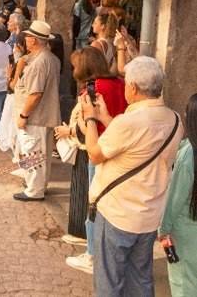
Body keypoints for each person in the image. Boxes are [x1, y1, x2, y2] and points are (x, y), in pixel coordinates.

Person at [81, 56, 183, 296]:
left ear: (134, 88)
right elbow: (138, 146)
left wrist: (90, 118)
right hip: (148, 214)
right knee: (140, 279)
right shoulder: (175, 120)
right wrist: (107, 117)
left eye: (127, 82)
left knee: (109, 281)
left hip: (118, 212)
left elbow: (95, 154)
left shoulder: (129, 123)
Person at [55, 47, 126, 274]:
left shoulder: (92, 89)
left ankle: (93, 255)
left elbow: (89, 126)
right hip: (119, 149)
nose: (73, 70)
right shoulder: (119, 83)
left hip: (99, 150)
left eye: (75, 66)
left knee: (95, 204)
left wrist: (72, 129)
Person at [13, 20, 61, 201]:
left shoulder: (40, 62)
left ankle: (34, 190)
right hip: (45, 115)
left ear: (34, 40)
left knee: (33, 154)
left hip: (36, 116)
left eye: (28, 37)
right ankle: (39, 185)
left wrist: (24, 115)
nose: (25, 39)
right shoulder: (50, 58)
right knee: (42, 154)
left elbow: (35, 94)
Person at [159, 93, 197, 296]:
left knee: (184, 284)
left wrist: (163, 229)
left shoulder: (188, 155)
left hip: (185, 232)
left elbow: (174, 200)